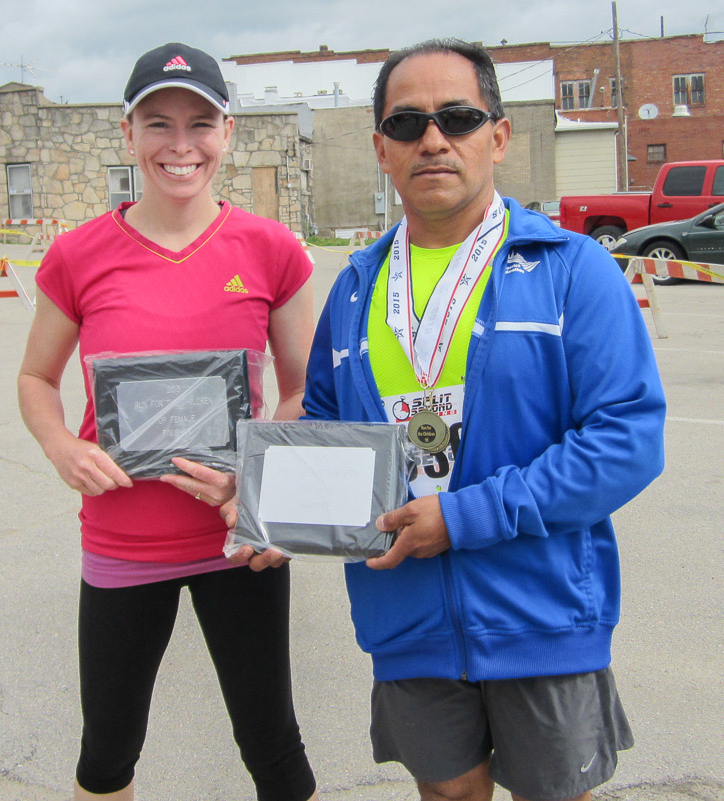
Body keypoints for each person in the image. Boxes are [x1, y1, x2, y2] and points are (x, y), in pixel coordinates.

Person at [295, 38, 665, 801]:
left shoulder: (569, 269)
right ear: (381, 149)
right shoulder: (356, 288)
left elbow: (625, 440)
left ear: (497, 136)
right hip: (405, 616)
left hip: (541, 613)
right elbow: (325, 428)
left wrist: (462, 518)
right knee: (447, 793)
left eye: (457, 118)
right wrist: (271, 499)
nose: (432, 139)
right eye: (406, 124)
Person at [18, 42, 319, 801]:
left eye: (200, 124)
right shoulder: (78, 255)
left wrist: (255, 475)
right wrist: (60, 446)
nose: (180, 145)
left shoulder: (272, 249)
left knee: (275, 750)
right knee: (106, 755)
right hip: (122, 541)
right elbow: (35, 377)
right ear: (128, 134)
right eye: (158, 123)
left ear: (228, 133)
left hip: (237, 540)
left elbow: (303, 390)